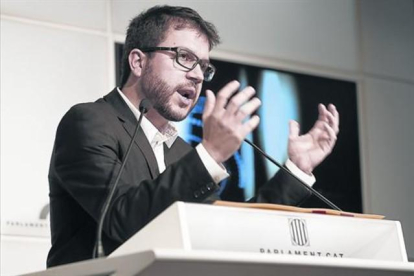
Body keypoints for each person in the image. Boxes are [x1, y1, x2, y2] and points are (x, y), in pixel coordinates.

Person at [47, 5, 339, 268]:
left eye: (204, 66)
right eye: (184, 57)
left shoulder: (183, 153)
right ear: (138, 62)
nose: (198, 75)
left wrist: (297, 170)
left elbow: (227, 235)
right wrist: (210, 154)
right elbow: (121, 220)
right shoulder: (90, 122)